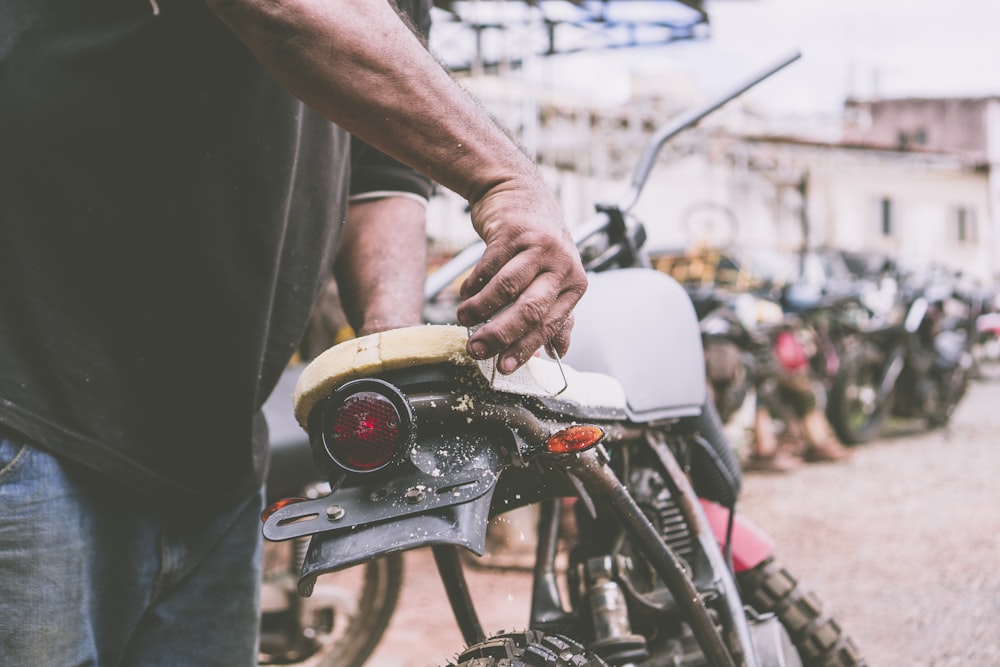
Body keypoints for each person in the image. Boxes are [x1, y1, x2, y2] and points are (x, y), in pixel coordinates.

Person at [0, 0, 588, 665]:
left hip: (215, 458)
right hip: (31, 419)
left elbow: (379, 169)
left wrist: (388, 348)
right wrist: (505, 177)